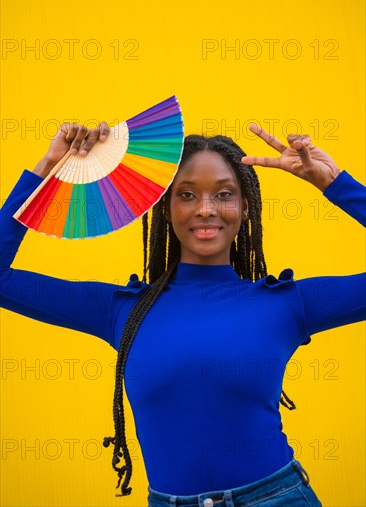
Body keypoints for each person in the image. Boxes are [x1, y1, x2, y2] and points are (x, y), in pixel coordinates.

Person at [0, 120, 365, 507]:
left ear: (245, 206)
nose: (206, 209)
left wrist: (334, 182)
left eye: (223, 194)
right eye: (187, 195)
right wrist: (48, 169)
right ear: (166, 207)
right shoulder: (123, 310)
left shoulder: (287, 304)